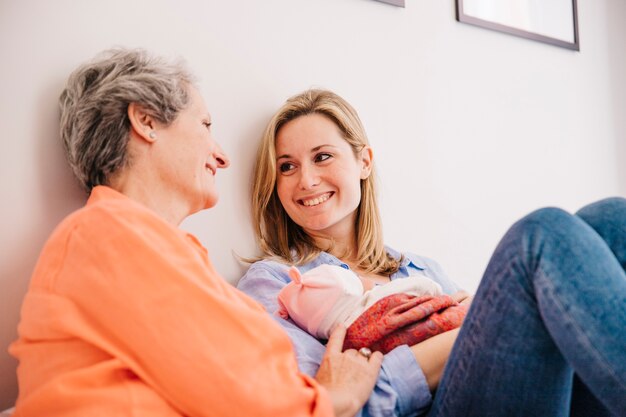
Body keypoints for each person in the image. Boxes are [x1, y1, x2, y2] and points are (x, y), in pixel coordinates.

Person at [9, 49, 385, 417]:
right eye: (205, 125)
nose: (222, 156)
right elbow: (247, 396)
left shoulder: (158, 249)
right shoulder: (104, 234)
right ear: (146, 121)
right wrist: (339, 397)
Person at [237, 88, 626, 417]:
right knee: (541, 234)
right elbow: (320, 404)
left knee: (610, 219)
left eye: (322, 156)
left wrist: (470, 325)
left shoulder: (419, 269)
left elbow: (485, 344)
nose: (305, 179)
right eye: (286, 166)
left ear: (364, 162)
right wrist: (462, 332)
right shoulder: (275, 282)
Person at [276, 264, 467, 354]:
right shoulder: (374, 299)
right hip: (452, 330)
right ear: (351, 290)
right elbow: (424, 286)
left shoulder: (338, 345)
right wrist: (444, 296)